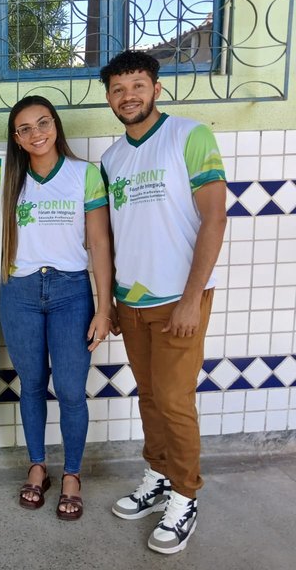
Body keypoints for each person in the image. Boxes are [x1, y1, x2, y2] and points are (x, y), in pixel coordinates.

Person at [100, 50, 227, 554]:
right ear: (108, 97)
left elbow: (215, 218)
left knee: (175, 402)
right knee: (150, 397)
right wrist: (109, 302)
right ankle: (156, 476)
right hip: (133, 301)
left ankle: (186, 495)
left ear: (156, 88)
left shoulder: (189, 136)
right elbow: (111, 236)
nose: (127, 96)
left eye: (137, 85)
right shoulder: (112, 160)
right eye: (117, 89)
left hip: (179, 299)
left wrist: (192, 299)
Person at [0, 95, 112, 521]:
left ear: (55, 124)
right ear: (16, 138)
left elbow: (99, 244)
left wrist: (104, 308)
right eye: (24, 129)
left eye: (42, 123)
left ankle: (72, 475)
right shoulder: (11, 179)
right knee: (30, 386)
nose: (36, 133)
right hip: (21, 292)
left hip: (70, 292)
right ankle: (37, 466)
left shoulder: (85, 175)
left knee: (68, 389)